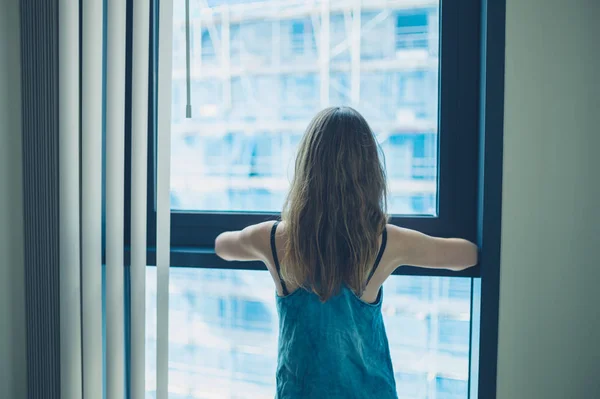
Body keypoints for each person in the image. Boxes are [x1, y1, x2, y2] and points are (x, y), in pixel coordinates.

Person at [215, 106, 478, 399]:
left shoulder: (274, 239)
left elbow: (222, 246)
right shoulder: (385, 243)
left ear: (307, 168)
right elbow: (467, 256)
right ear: (368, 174)